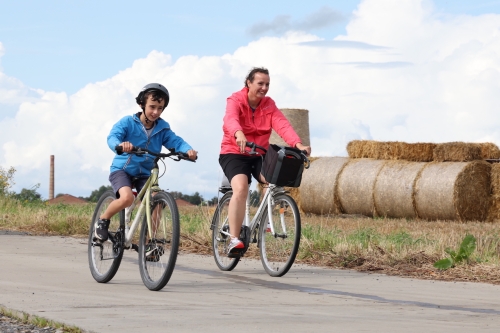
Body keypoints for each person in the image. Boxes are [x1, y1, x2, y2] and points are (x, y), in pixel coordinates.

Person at [219, 67, 311, 255]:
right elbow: (230, 119)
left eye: (267, 84)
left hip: (259, 153)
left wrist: (298, 144)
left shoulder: (268, 104)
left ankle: (265, 220)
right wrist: (238, 133)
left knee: (273, 179)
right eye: (260, 83)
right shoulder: (235, 100)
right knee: (242, 188)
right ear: (249, 83)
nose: (264, 88)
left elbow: (282, 124)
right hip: (234, 152)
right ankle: (233, 239)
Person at [95, 83, 198, 242]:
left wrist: (188, 150)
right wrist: (121, 145)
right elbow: (113, 137)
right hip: (122, 170)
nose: (156, 112)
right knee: (127, 198)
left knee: (156, 202)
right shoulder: (128, 122)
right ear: (142, 104)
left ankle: (150, 243)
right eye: (152, 107)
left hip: (145, 173)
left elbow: (176, 141)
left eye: (160, 108)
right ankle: (103, 220)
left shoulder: (162, 128)